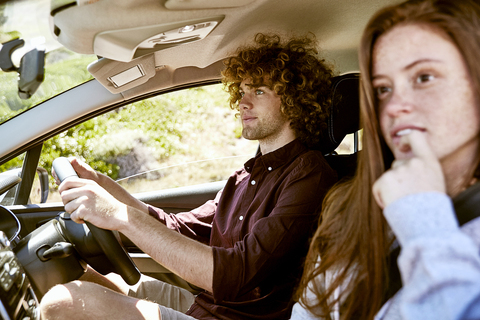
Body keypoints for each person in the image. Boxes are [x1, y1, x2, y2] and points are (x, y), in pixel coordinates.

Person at [39, 33, 338, 320]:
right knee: (65, 270)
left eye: (259, 91)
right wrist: (106, 187)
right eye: (242, 92)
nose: (243, 103)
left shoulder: (309, 175)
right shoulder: (245, 177)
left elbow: (238, 274)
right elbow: (178, 228)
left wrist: (118, 215)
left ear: (295, 100)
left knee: (61, 304)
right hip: (207, 305)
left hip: (237, 316)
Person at [290, 0, 480, 319]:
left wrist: (422, 219)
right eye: (383, 89)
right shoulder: (348, 205)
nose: (394, 106)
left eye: (424, 77)